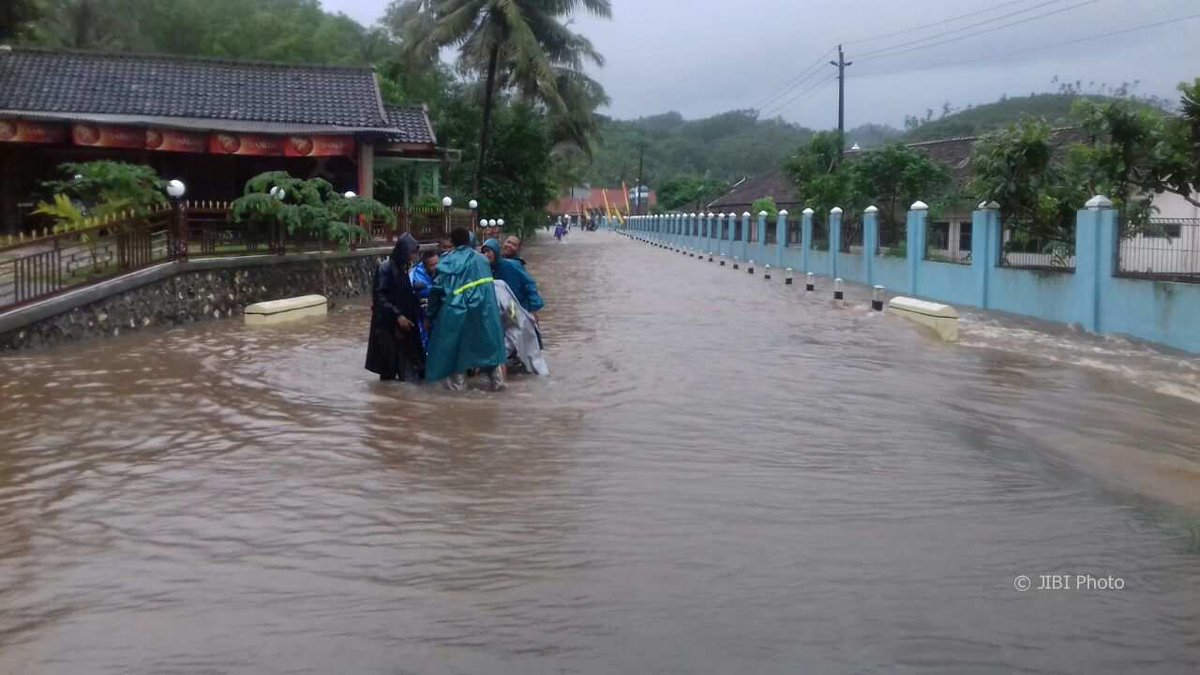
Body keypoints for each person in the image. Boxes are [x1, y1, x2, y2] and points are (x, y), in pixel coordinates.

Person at [426, 227, 507, 391]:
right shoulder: (483, 260)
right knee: (489, 349)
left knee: (456, 353)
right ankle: (499, 385)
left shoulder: (447, 261)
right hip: (485, 312)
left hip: (457, 312)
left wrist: (430, 315)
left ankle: (459, 392)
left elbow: (436, 290)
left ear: (452, 242)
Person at [364, 234, 424, 382]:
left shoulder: (404, 268)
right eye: (412, 253)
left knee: (409, 363)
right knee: (389, 367)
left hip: (403, 327)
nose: (413, 257)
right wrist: (398, 315)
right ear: (403, 251)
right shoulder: (385, 268)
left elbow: (404, 294)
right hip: (387, 326)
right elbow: (379, 297)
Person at [493, 279, 548, 375]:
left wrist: (534, 308)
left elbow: (512, 316)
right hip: (516, 320)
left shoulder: (499, 285)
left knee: (534, 364)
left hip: (518, 322)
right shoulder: (498, 284)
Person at [481, 238, 544, 315]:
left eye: (488, 251)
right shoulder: (485, 269)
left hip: (518, 308)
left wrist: (533, 309)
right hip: (500, 311)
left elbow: (529, 284)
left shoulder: (513, 265)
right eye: (483, 252)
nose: (486, 254)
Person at [410, 249, 439, 352]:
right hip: (422, 314)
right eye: (432, 265)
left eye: (437, 263)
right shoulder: (416, 275)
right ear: (425, 265)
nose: (436, 267)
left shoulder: (444, 270)